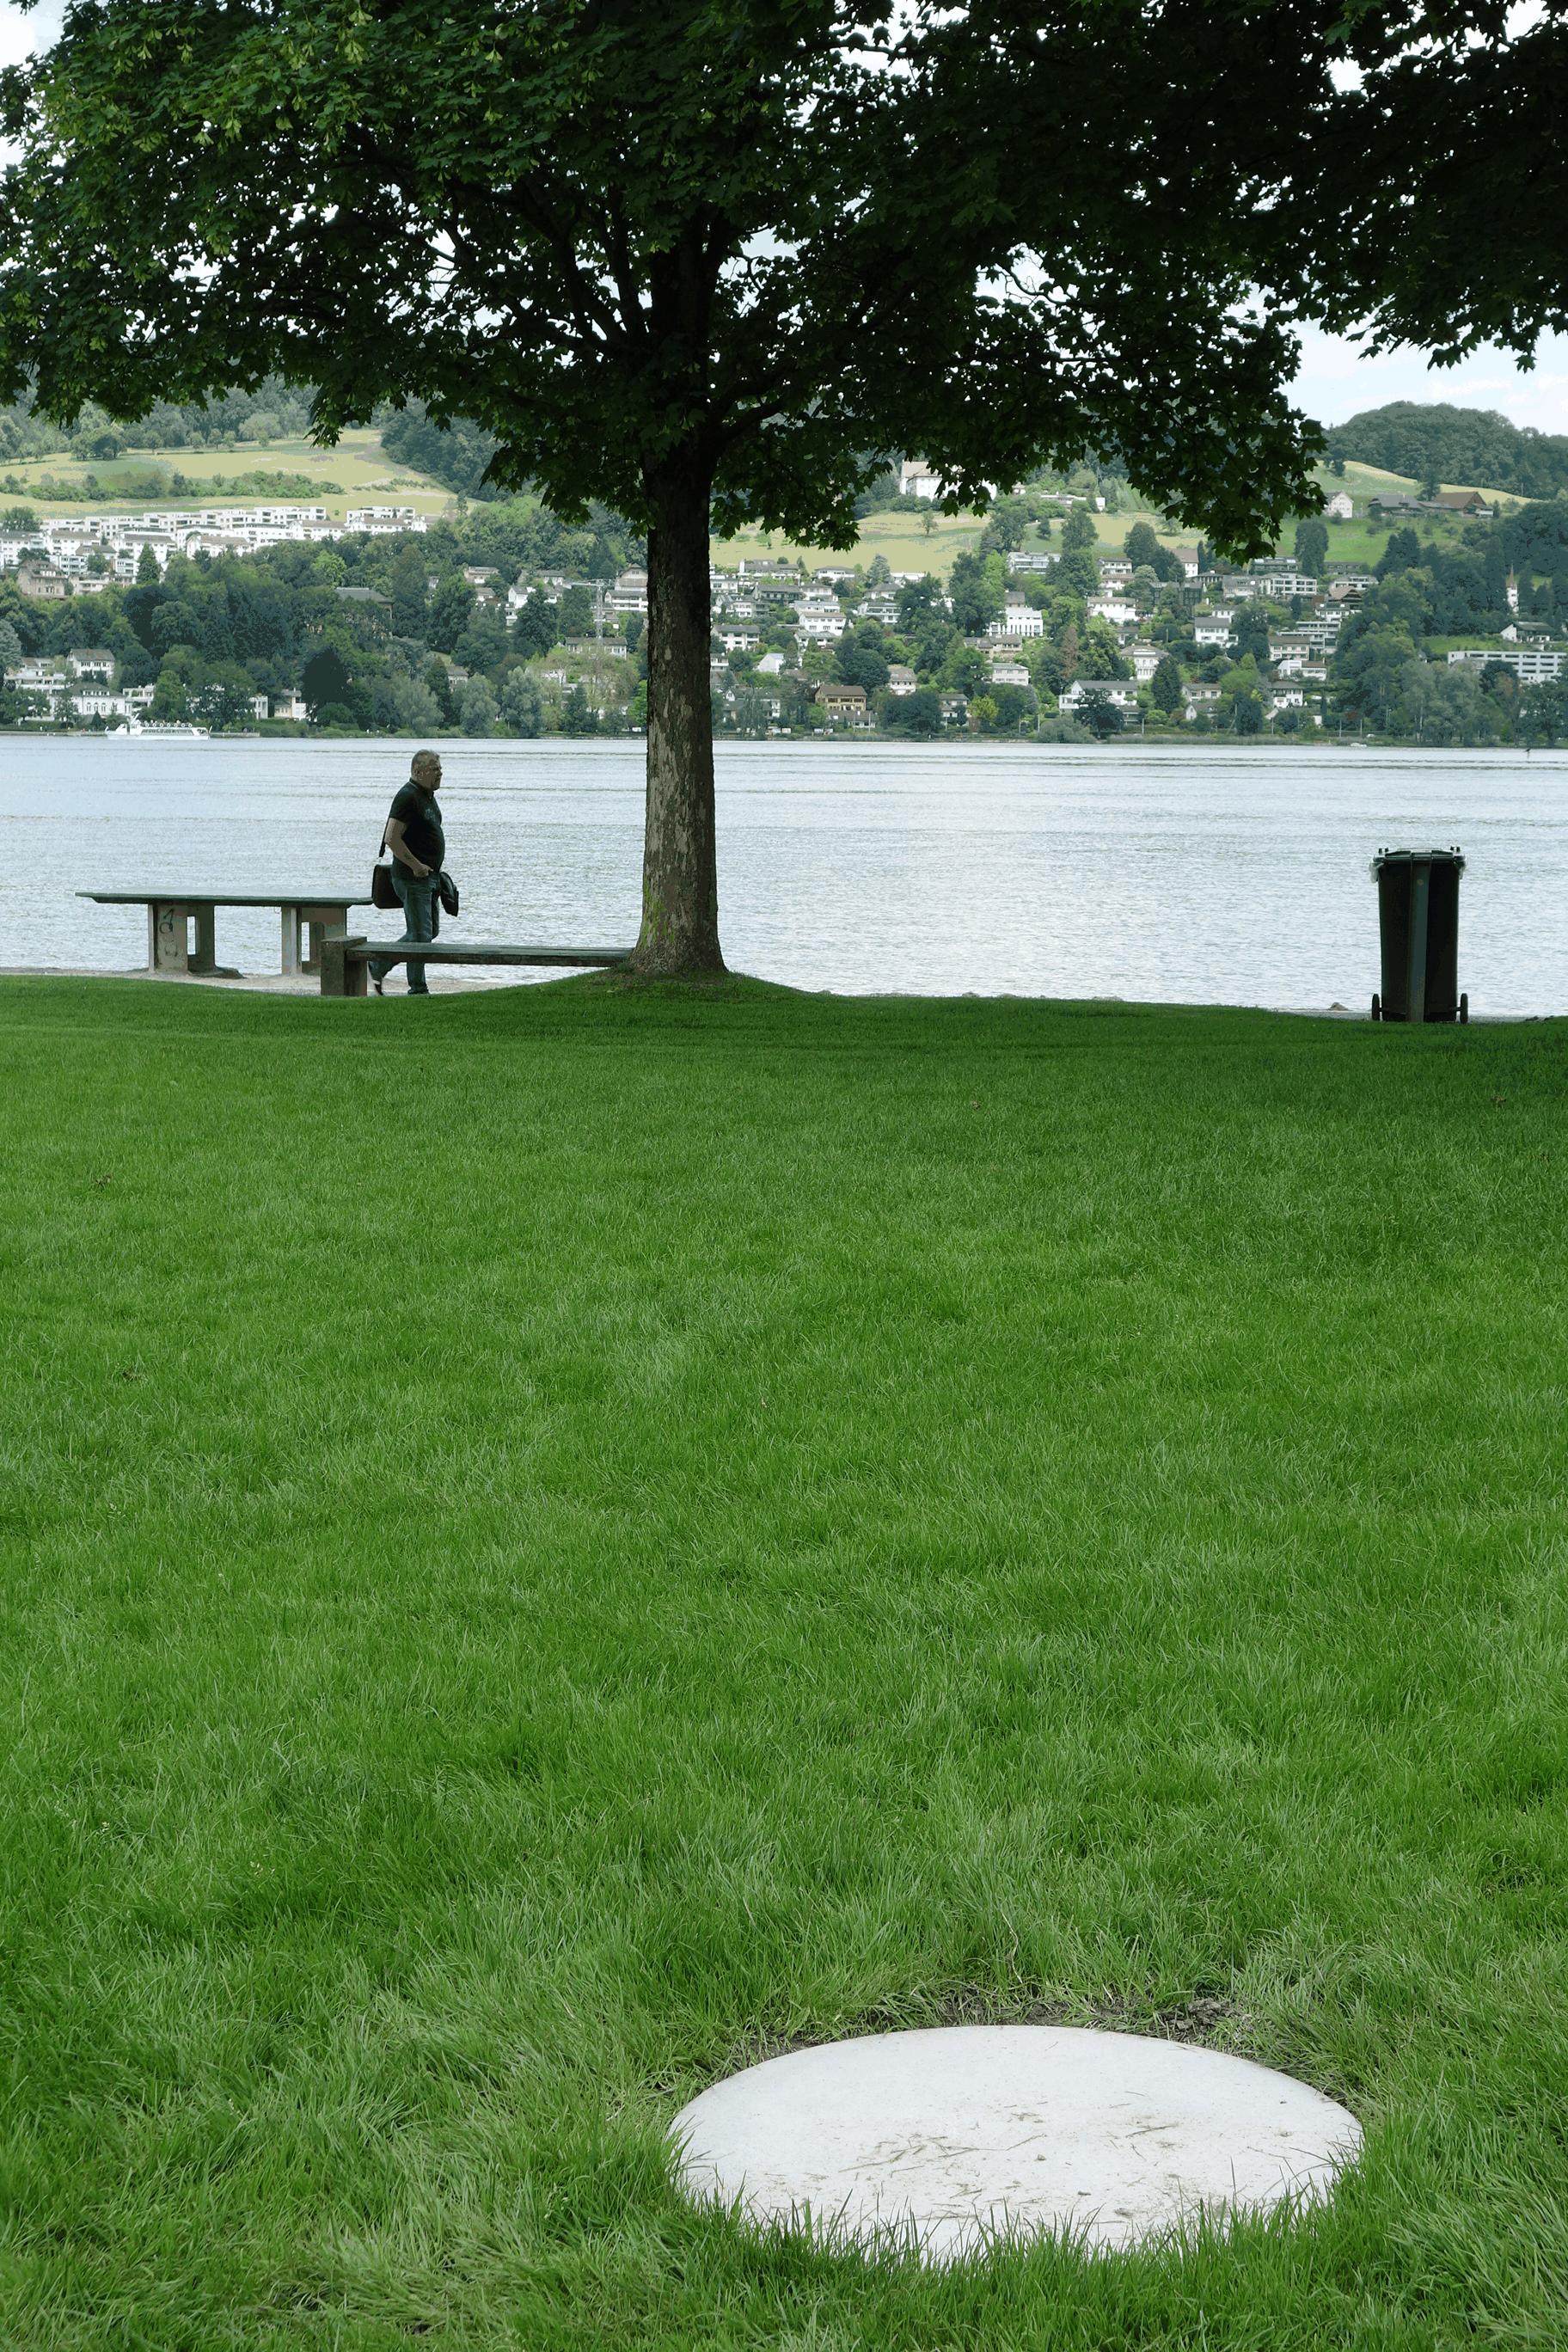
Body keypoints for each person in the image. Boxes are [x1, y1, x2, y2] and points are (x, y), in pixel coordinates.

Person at [371, 750, 445, 995]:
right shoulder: (407, 796)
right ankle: (418, 989)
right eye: (435, 769)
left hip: (429, 878)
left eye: (440, 769)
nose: (440, 773)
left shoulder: (427, 796)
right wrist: (416, 866)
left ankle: (377, 965)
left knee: (429, 932)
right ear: (418, 771)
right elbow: (391, 838)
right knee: (419, 935)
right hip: (413, 878)